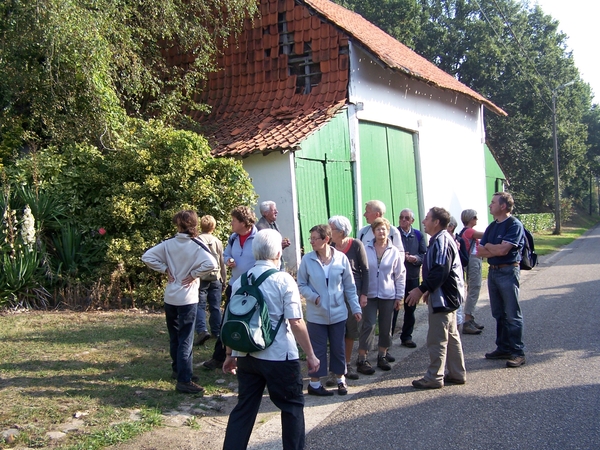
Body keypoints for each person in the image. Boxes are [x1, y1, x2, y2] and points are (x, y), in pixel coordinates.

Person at [222, 229, 320, 450]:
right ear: (278, 252)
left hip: (247, 355)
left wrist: (230, 354)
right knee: (291, 407)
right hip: (280, 356)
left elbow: (233, 319)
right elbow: (295, 322)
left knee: (244, 409)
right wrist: (311, 355)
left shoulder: (240, 281)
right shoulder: (283, 280)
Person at [142, 210, 218, 394]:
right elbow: (212, 264)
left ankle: (178, 370)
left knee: (175, 336)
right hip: (187, 298)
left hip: (171, 296)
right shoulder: (196, 244)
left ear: (177, 225)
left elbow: (147, 257)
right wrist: (193, 274)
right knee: (186, 339)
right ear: (194, 225)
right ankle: (184, 380)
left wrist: (164, 269)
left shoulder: (168, 243)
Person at [297, 224, 362, 396]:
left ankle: (341, 380)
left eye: (314, 238)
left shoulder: (341, 259)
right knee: (316, 350)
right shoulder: (307, 260)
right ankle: (315, 384)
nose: (311, 242)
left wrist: (355, 308)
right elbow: (301, 284)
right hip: (316, 314)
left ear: (326, 239)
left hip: (338, 313)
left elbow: (349, 286)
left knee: (338, 348)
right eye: (310, 239)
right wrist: (313, 297)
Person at [406, 207, 466, 389]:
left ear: (436, 222)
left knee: (437, 339)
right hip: (446, 297)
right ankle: (456, 373)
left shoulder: (441, 241)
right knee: (452, 335)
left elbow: (441, 269)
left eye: (426, 218)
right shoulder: (441, 240)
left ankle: (434, 377)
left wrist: (421, 289)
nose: (423, 222)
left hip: (444, 298)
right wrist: (428, 290)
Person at [203, 206, 258, 371]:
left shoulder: (259, 238)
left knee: (253, 322)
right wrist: (228, 260)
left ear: (244, 222)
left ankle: (251, 357)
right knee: (227, 321)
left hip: (253, 289)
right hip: (235, 287)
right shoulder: (233, 237)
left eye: (234, 220)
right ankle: (219, 357)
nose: (231, 223)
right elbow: (226, 255)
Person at [477, 192, 526, 368]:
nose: (490, 205)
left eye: (493, 202)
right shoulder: (492, 226)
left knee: (512, 314)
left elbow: (503, 250)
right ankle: (503, 347)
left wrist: (490, 246)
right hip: (493, 272)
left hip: (508, 271)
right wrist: (492, 248)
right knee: (498, 313)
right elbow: (480, 251)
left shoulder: (514, 225)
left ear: (503, 206)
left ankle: (518, 352)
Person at [357, 218, 406, 375]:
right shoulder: (365, 249)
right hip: (369, 294)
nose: (381, 232)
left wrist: (399, 296)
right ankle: (362, 358)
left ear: (388, 231)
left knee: (386, 326)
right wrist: (361, 293)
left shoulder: (394, 252)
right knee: (369, 325)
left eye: (384, 229)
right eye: (378, 229)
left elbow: (400, 275)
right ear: (373, 232)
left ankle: (382, 355)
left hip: (388, 294)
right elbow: (360, 272)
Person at [326, 215, 369, 383]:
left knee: (350, 331)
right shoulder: (328, 247)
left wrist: (364, 294)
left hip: (353, 293)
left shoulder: (356, 245)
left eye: (331, 229)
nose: (328, 232)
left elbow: (365, 270)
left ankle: (347, 364)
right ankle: (335, 368)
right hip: (334, 294)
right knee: (336, 330)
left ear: (341, 231)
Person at [394, 208, 426, 348]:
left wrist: (415, 259)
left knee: (410, 307)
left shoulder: (418, 235)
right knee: (393, 308)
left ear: (412, 221)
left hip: (412, 276)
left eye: (407, 218)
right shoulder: (394, 234)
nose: (403, 220)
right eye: (401, 217)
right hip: (395, 277)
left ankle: (406, 336)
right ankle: (387, 338)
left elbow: (424, 255)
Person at [194, 215, 227, 346]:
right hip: (215, 277)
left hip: (201, 277)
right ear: (213, 227)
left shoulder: (196, 240)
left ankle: (202, 330)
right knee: (215, 306)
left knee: (200, 305)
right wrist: (224, 279)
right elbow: (222, 262)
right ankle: (217, 330)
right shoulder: (217, 241)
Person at [459, 209, 485, 335]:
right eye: (475, 217)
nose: (476, 219)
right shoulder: (469, 231)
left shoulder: (464, 231)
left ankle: (470, 317)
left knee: (473, 288)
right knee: (474, 288)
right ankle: (468, 319)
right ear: (469, 219)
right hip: (473, 261)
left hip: (473, 261)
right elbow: (485, 235)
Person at [256, 201, 291, 268]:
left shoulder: (274, 224)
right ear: (266, 213)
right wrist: (280, 245)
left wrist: (283, 244)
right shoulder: (261, 228)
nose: (277, 212)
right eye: (274, 210)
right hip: (269, 265)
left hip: (278, 263)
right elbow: (265, 249)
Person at [447, 216, 466, 331]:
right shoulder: (440, 240)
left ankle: (456, 331)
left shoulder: (460, 240)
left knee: (457, 306)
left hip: (457, 278)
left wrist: (458, 251)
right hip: (445, 279)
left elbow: (465, 261)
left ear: (452, 227)